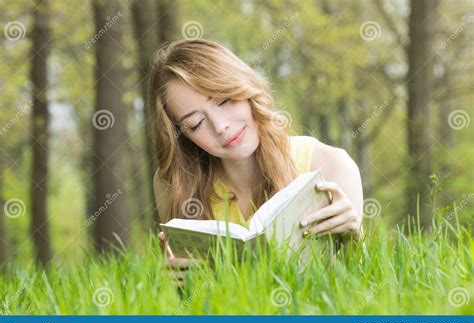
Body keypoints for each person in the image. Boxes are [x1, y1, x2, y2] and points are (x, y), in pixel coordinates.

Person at [149, 39, 363, 271]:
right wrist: (178, 281)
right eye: (196, 123)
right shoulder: (172, 183)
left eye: (224, 100)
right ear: (183, 137)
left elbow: (356, 285)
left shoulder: (328, 165)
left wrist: (353, 236)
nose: (220, 126)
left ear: (245, 88)